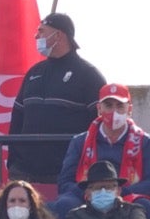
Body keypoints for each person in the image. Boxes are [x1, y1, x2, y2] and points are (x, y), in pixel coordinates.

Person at [53, 85, 150, 219]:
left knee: (145, 207)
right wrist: (90, 192)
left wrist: (119, 193)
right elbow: (65, 182)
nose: (114, 112)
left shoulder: (145, 142)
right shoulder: (80, 142)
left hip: (125, 197)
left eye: (120, 106)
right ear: (99, 108)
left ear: (129, 109)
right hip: (88, 195)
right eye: (108, 106)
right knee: (64, 204)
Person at [8, 12, 106, 182]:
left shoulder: (88, 74)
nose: (36, 36)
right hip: (25, 172)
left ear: (58, 35)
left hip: (67, 172)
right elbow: (17, 118)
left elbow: (101, 124)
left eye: (41, 31)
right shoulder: (34, 72)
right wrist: (13, 162)